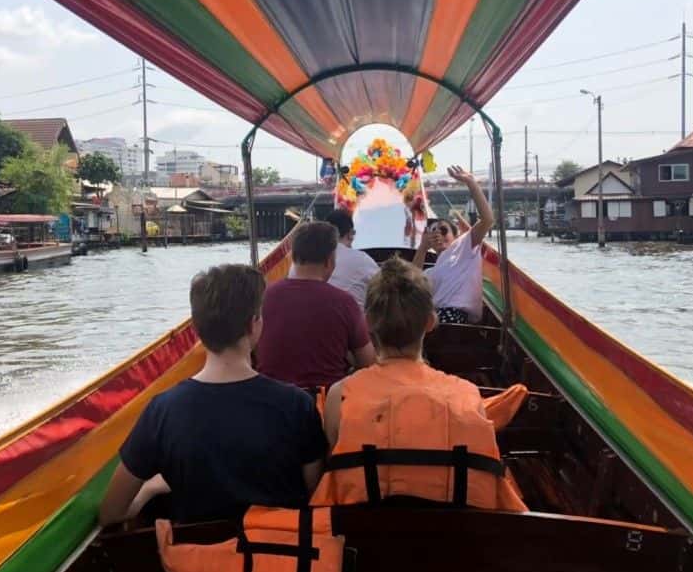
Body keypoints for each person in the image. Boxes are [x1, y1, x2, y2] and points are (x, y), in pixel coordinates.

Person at [98, 264, 328, 526]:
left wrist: (150, 488)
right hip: (281, 560)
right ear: (254, 325)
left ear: (197, 329)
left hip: (199, 564)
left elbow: (111, 513)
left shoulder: (162, 411)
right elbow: (314, 493)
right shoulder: (296, 405)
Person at [311, 257, 526, 511]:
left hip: (364, 546)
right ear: (431, 322)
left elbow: (335, 471)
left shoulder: (340, 396)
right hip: (449, 545)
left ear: (366, 322)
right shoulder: (468, 395)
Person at [257, 221, 376, 389]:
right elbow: (368, 363)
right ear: (329, 261)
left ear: (293, 257)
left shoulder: (265, 297)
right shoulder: (344, 302)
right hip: (323, 404)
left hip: (272, 402)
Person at [414, 165, 494, 324]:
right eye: (432, 231)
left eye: (443, 230)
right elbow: (411, 284)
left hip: (455, 319)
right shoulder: (430, 272)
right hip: (436, 320)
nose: (437, 234)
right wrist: (422, 248)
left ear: (455, 235)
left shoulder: (463, 247)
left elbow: (487, 219)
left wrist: (470, 182)